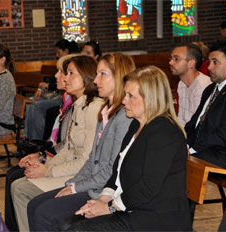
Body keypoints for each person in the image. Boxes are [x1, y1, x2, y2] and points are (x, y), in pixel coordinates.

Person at [64, 66, 192, 231]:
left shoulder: (164, 132)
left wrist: (109, 207)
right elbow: (116, 171)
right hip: (132, 208)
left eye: (131, 96)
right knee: (68, 224)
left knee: (77, 229)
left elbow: (148, 188)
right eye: (125, 94)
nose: (124, 100)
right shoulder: (135, 125)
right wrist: (103, 199)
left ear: (150, 98)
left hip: (155, 218)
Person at [27, 53, 136, 231]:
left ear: (119, 77)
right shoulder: (105, 110)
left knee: (44, 213)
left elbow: (112, 168)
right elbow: (92, 157)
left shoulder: (124, 116)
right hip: (91, 183)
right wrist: (72, 184)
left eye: (103, 74)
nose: (95, 80)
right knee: (35, 205)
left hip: (103, 190)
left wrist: (76, 187)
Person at [10, 55, 103, 231]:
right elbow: (68, 149)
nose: (64, 78)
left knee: (21, 189)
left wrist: (49, 171)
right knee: (18, 184)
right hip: (71, 168)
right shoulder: (80, 105)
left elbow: (87, 160)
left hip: (82, 175)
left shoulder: (93, 108)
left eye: (70, 73)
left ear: (86, 77)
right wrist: (43, 166)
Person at [4, 54, 78, 231]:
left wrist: (46, 164)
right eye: (60, 71)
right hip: (58, 158)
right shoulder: (69, 101)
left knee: (18, 181)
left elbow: (74, 151)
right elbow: (65, 145)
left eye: (64, 72)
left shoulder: (81, 106)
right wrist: (41, 155)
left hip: (70, 169)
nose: (58, 76)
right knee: (13, 176)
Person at [185, 41, 226, 178]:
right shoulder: (210, 89)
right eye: (209, 62)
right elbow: (195, 123)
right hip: (211, 149)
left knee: (178, 162)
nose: (209, 67)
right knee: (170, 154)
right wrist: (182, 142)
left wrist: (193, 149)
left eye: (215, 62)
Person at [24, 39, 78, 140]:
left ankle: (36, 139)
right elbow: (53, 82)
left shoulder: (70, 63)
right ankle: (30, 137)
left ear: (66, 51)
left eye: (59, 52)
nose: (57, 75)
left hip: (58, 96)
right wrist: (41, 88)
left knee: (36, 106)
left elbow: (54, 85)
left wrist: (47, 86)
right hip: (59, 95)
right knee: (31, 101)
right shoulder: (64, 63)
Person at [169, 43, 211, 126]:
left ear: (191, 63)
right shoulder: (181, 84)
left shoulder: (203, 86)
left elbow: (199, 124)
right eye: (171, 58)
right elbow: (181, 118)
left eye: (176, 59)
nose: (170, 62)